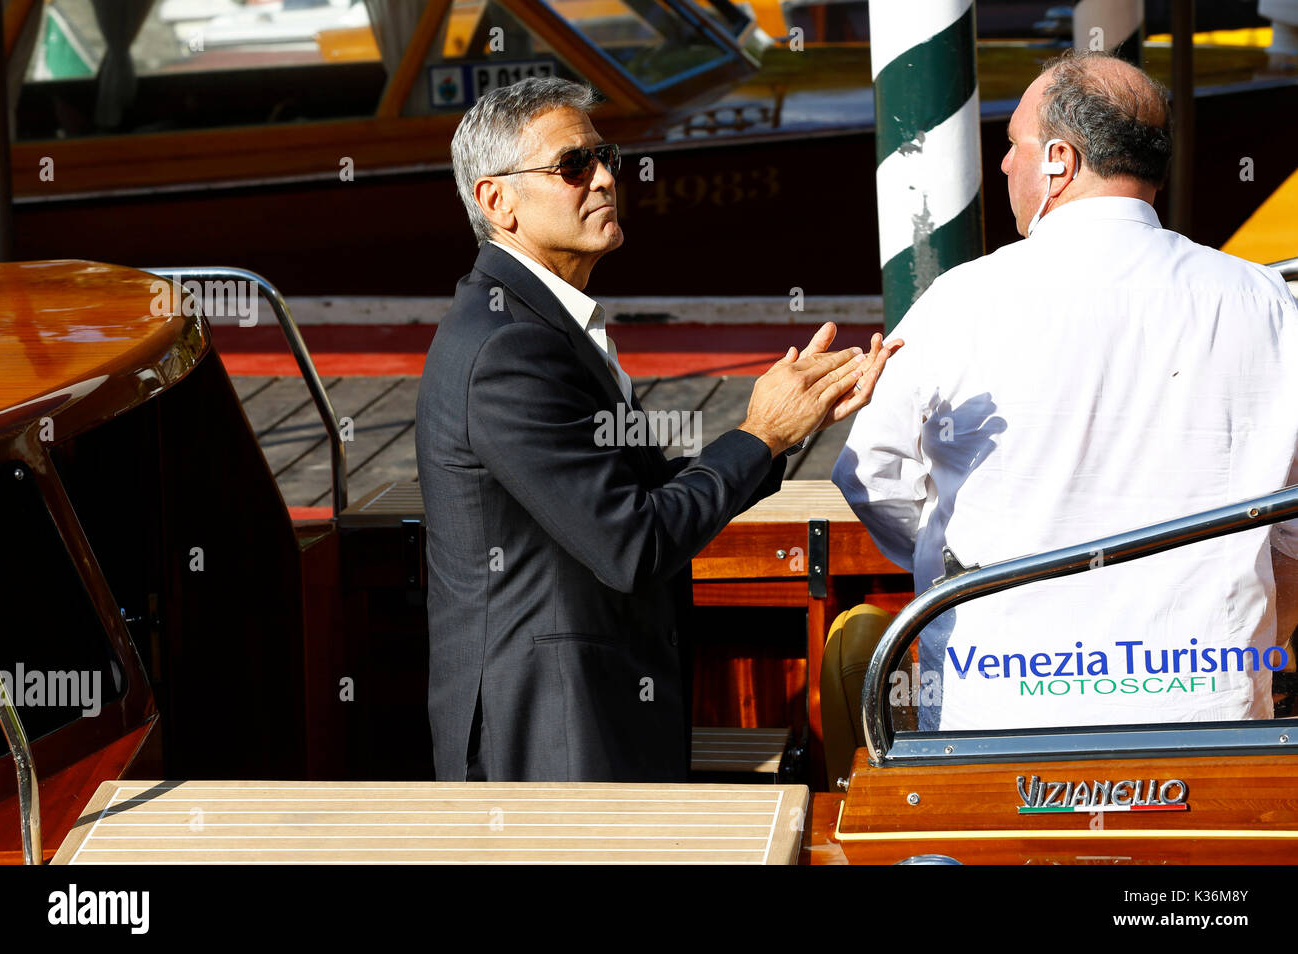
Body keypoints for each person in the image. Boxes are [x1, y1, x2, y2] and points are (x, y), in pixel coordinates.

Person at [416, 77, 901, 781]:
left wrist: (781, 430)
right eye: (573, 166)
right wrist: (760, 436)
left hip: (584, 709)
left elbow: (625, 499)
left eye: (604, 155)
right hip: (551, 736)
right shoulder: (507, 349)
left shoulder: (536, 323)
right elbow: (631, 542)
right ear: (499, 201)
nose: (608, 178)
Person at [832, 50, 1298, 732]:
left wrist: (960, 571)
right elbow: (1290, 526)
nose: (1003, 165)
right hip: (1204, 703)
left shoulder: (963, 300)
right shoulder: (1263, 301)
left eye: (1013, 144)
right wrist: (1257, 632)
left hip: (996, 703)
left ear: (1059, 160)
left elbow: (872, 475)